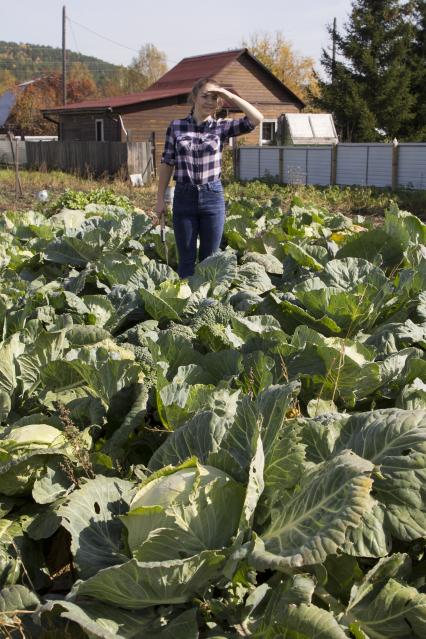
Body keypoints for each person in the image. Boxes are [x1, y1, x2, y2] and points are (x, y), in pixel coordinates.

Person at [155, 78, 263, 278]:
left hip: (212, 198)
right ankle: (186, 306)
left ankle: (205, 305)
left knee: (209, 260)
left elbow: (256, 118)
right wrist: (160, 199)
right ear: (194, 97)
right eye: (205, 96)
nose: (209, 102)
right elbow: (167, 162)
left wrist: (229, 95)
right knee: (186, 261)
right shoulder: (176, 127)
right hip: (184, 197)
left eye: (214, 98)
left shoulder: (221, 127)